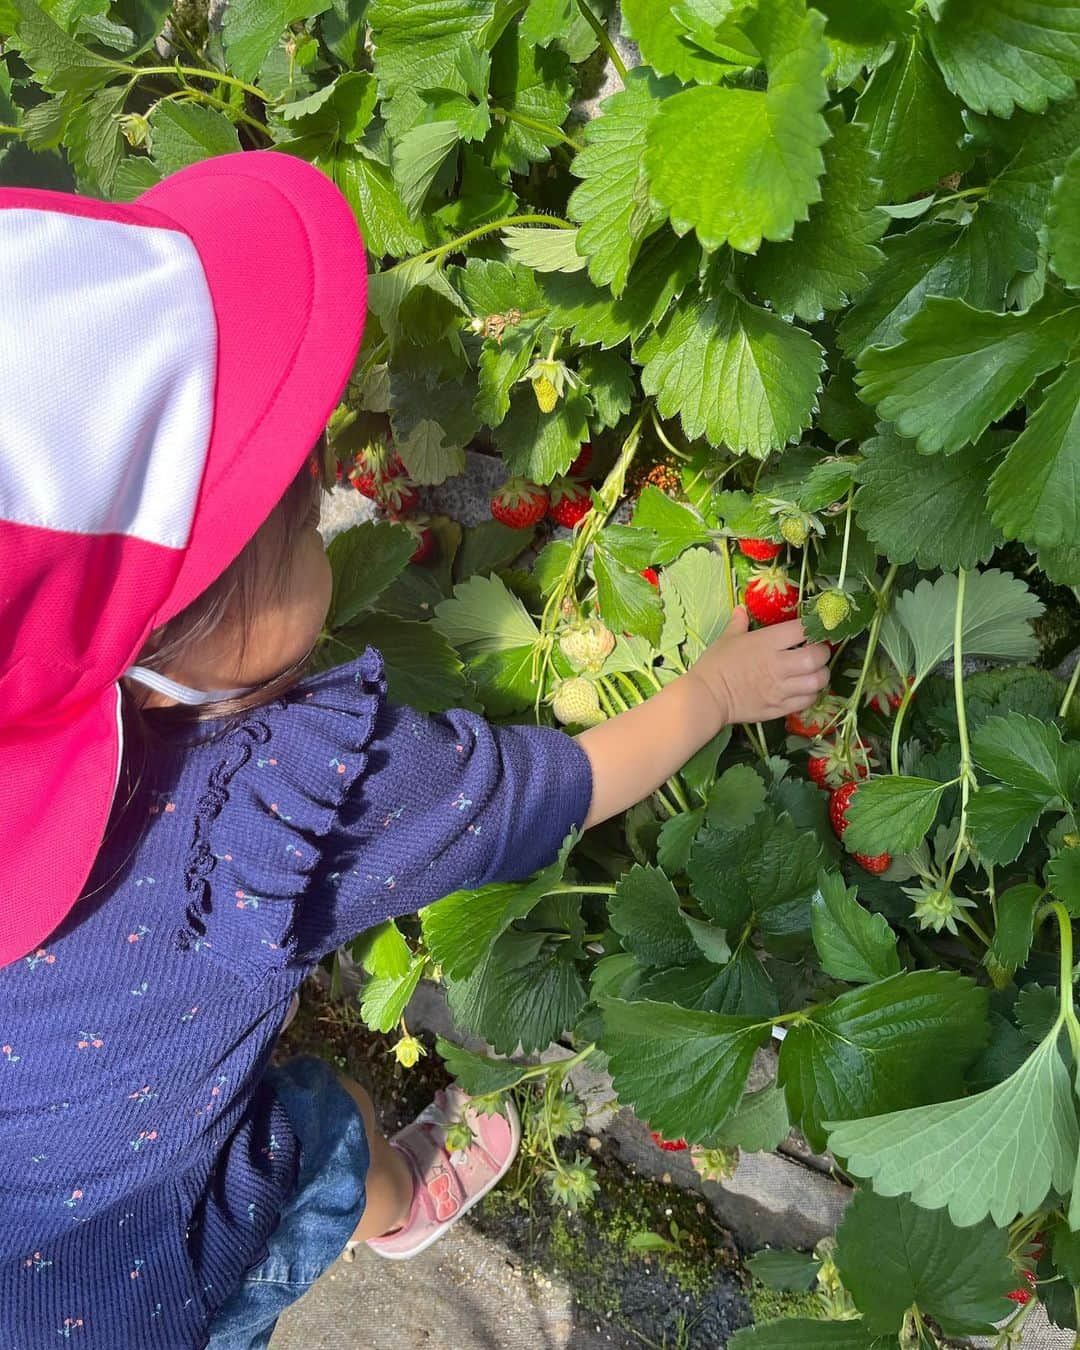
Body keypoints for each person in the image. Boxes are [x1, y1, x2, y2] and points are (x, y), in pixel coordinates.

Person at [0, 151, 830, 1350]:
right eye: (301, 515)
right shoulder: (284, 797)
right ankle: (408, 1206)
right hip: (139, 1284)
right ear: (204, 614)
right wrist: (711, 691)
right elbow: (558, 785)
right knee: (324, 1134)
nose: (338, 491)